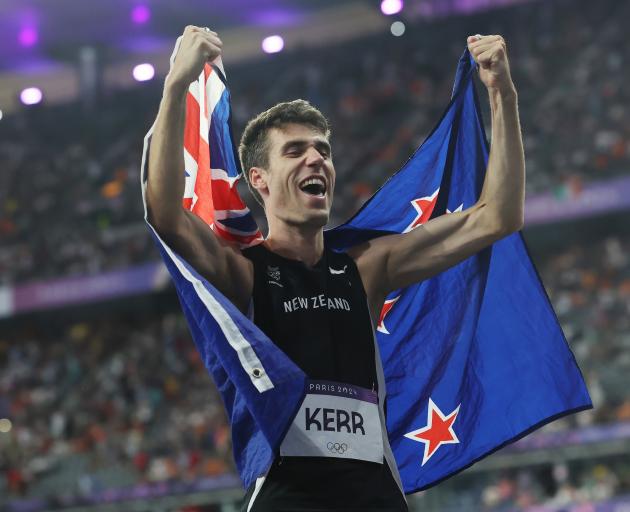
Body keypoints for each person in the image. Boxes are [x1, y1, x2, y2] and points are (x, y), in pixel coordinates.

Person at [146, 25, 524, 512]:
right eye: (295, 150)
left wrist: (502, 95)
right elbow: (166, 214)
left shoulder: (366, 268)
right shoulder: (243, 273)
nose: (316, 159)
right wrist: (176, 83)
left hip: (374, 495)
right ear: (257, 180)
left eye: (323, 150)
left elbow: (498, 215)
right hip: (288, 495)